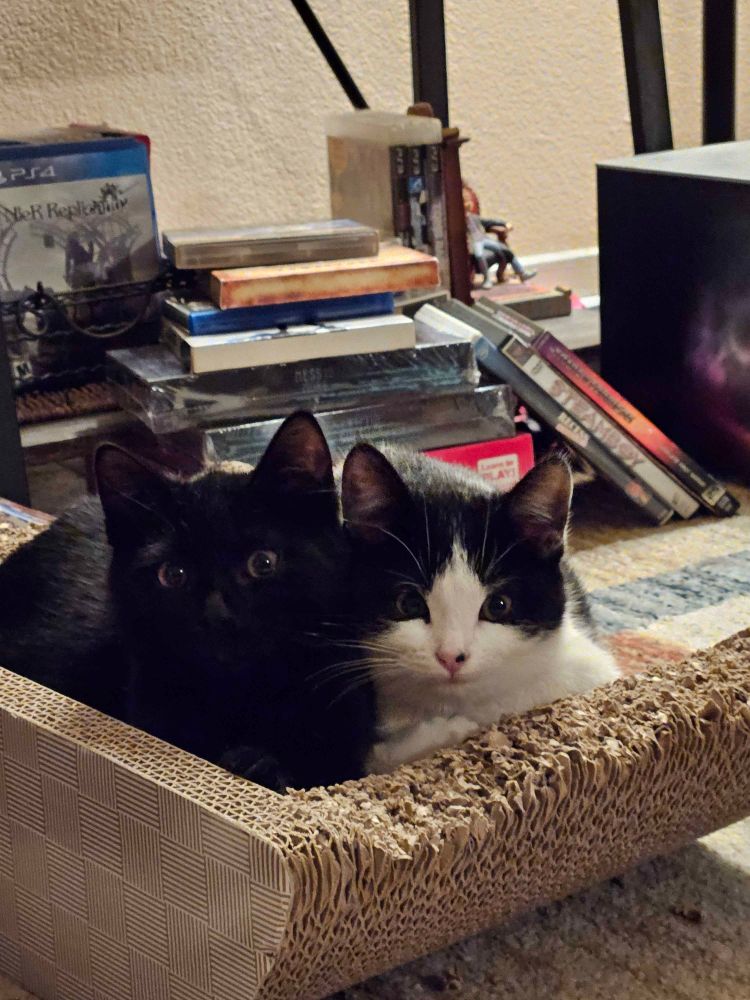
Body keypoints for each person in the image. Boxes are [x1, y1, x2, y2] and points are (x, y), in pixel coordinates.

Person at [463, 183, 536, 288]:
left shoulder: (474, 217)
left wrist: (504, 224)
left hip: (483, 239)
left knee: (504, 249)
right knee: (479, 255)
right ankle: (486, 279)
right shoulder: (459, 222)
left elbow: (489, 222)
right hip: (474, 242)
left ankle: (522, 273)